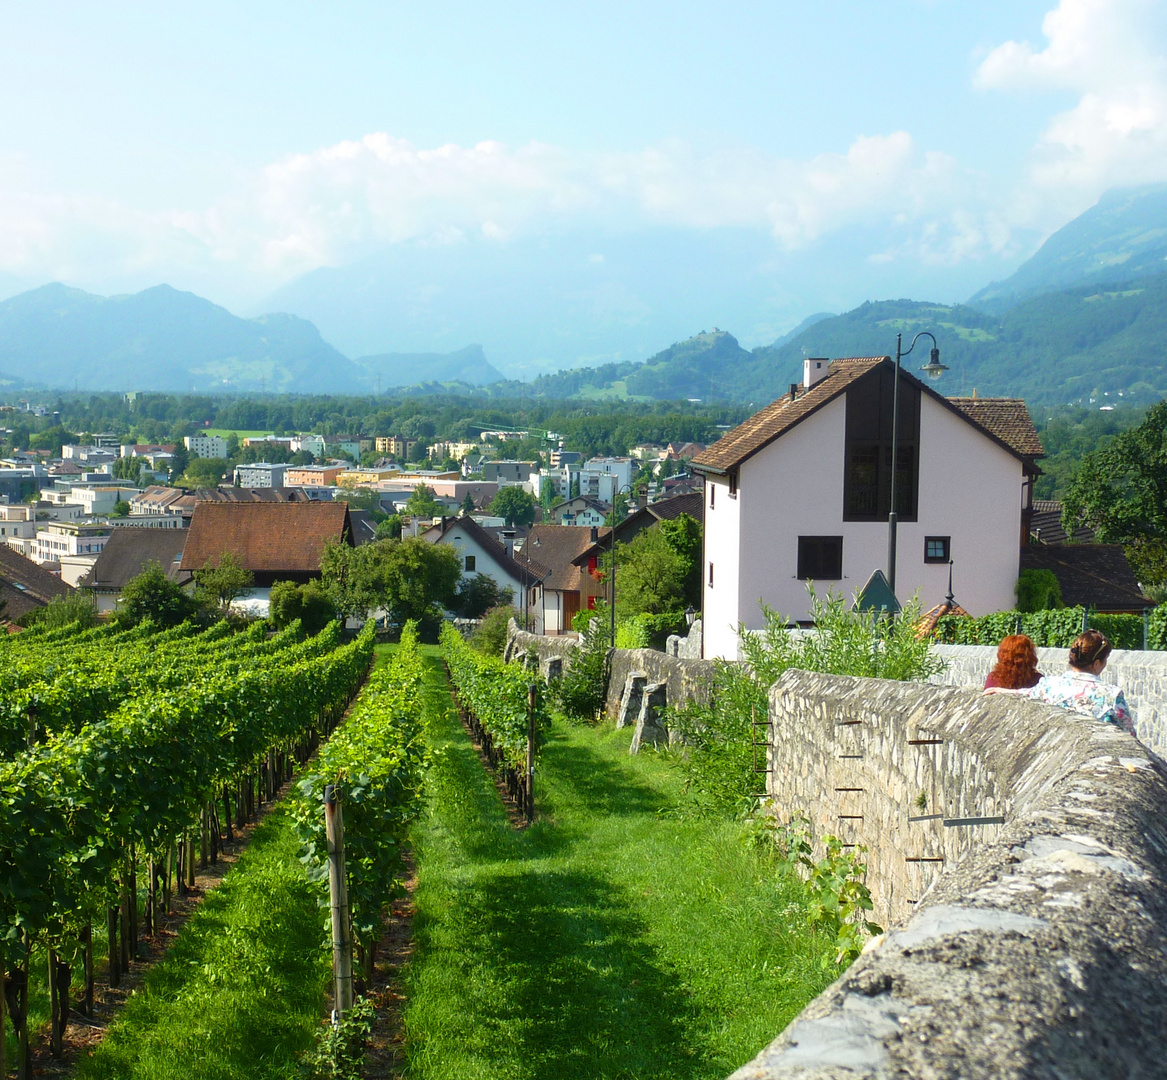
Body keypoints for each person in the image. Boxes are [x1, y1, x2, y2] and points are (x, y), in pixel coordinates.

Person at [1027, 629, 1134, 734]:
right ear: (1096, 663)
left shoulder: (1046, 685)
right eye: (1105, 660)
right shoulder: (1112, 695)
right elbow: (1129, 737)